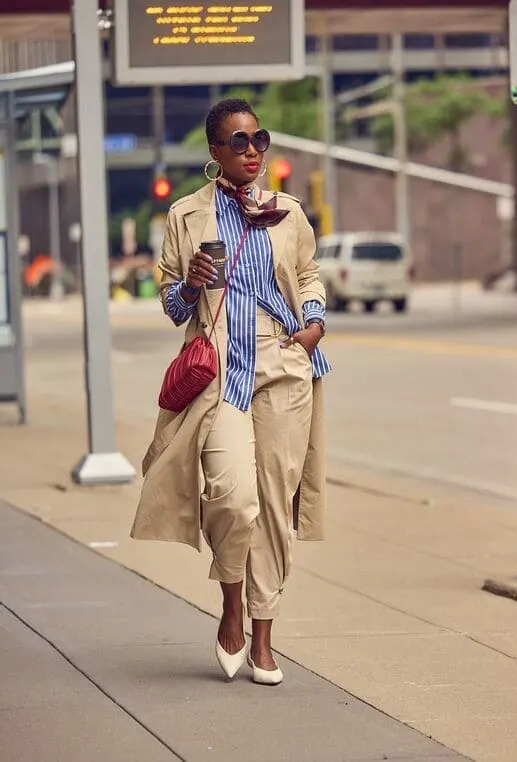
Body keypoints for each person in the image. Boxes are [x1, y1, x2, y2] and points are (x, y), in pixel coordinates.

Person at [131, 98, 331, 686]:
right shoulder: (187, 216)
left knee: (273, 505)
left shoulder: (287, 212)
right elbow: (171, 307)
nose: (252, 152)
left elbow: (310, 274)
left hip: (282, 368)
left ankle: (264, 632)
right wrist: (190, 285)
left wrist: (314, 321)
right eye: (238, 142)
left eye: (258, 140)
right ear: (215, 153)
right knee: (232, 496)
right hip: (219, 374)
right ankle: (231, 602)